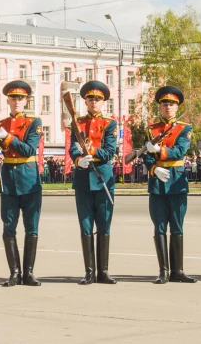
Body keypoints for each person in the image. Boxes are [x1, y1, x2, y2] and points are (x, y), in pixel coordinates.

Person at [0, 80, 43, 287]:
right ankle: (14, 272)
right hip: (9, 180)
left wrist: (7, 137)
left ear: (26, 100)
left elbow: (29, 150)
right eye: (13, 98)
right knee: (9, 227)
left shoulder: (34, 122)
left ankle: (28, 272)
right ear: (8, 100)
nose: (17, 101)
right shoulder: (0, 124)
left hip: (29, 180)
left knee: (32, 228)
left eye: (20, 98)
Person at [143, 86, 196, 284]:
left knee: (177, 226)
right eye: (165, 104)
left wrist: (160, 150)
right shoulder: (151, 129)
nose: (168, 107)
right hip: (157, 181)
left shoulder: (185, 128)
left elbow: (180, 150)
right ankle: (163, 271)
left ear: (177, 107)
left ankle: (178, 270)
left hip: (176, 180)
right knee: (159, 227)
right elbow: (146, 157)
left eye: (172, 104)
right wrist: (153, 169)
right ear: (160, 107)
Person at [68, 80, 117, 285]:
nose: (94, 102)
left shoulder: (110, 123)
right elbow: (72, 148)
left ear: (103, 102)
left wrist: (92, 151)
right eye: (90, 99)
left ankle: (103, 271)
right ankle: (89, 271)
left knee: (104, 226)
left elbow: (109, 152)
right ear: (85, 101)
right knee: (86, 226)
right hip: (83, 180)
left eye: (97, 99)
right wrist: (79, 160)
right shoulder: (76, 122)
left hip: (103, 178)